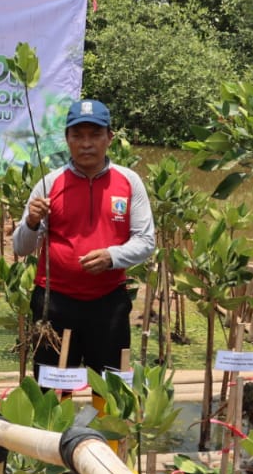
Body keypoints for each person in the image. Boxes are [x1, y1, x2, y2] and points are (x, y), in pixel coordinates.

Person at [13, 99, 155, 375]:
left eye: (95, 135)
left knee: (110, 388)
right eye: (77, 135)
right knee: (52, 388)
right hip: (54, 304)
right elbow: (20, 246)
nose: (86, 143)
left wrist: (112, 256)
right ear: (67, 140)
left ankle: (103, 419)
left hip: (108, 303)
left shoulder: (129, 181)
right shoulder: (49, 183)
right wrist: (31, 221)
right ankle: (53, 418)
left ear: (109, 138)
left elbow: (146, 241)